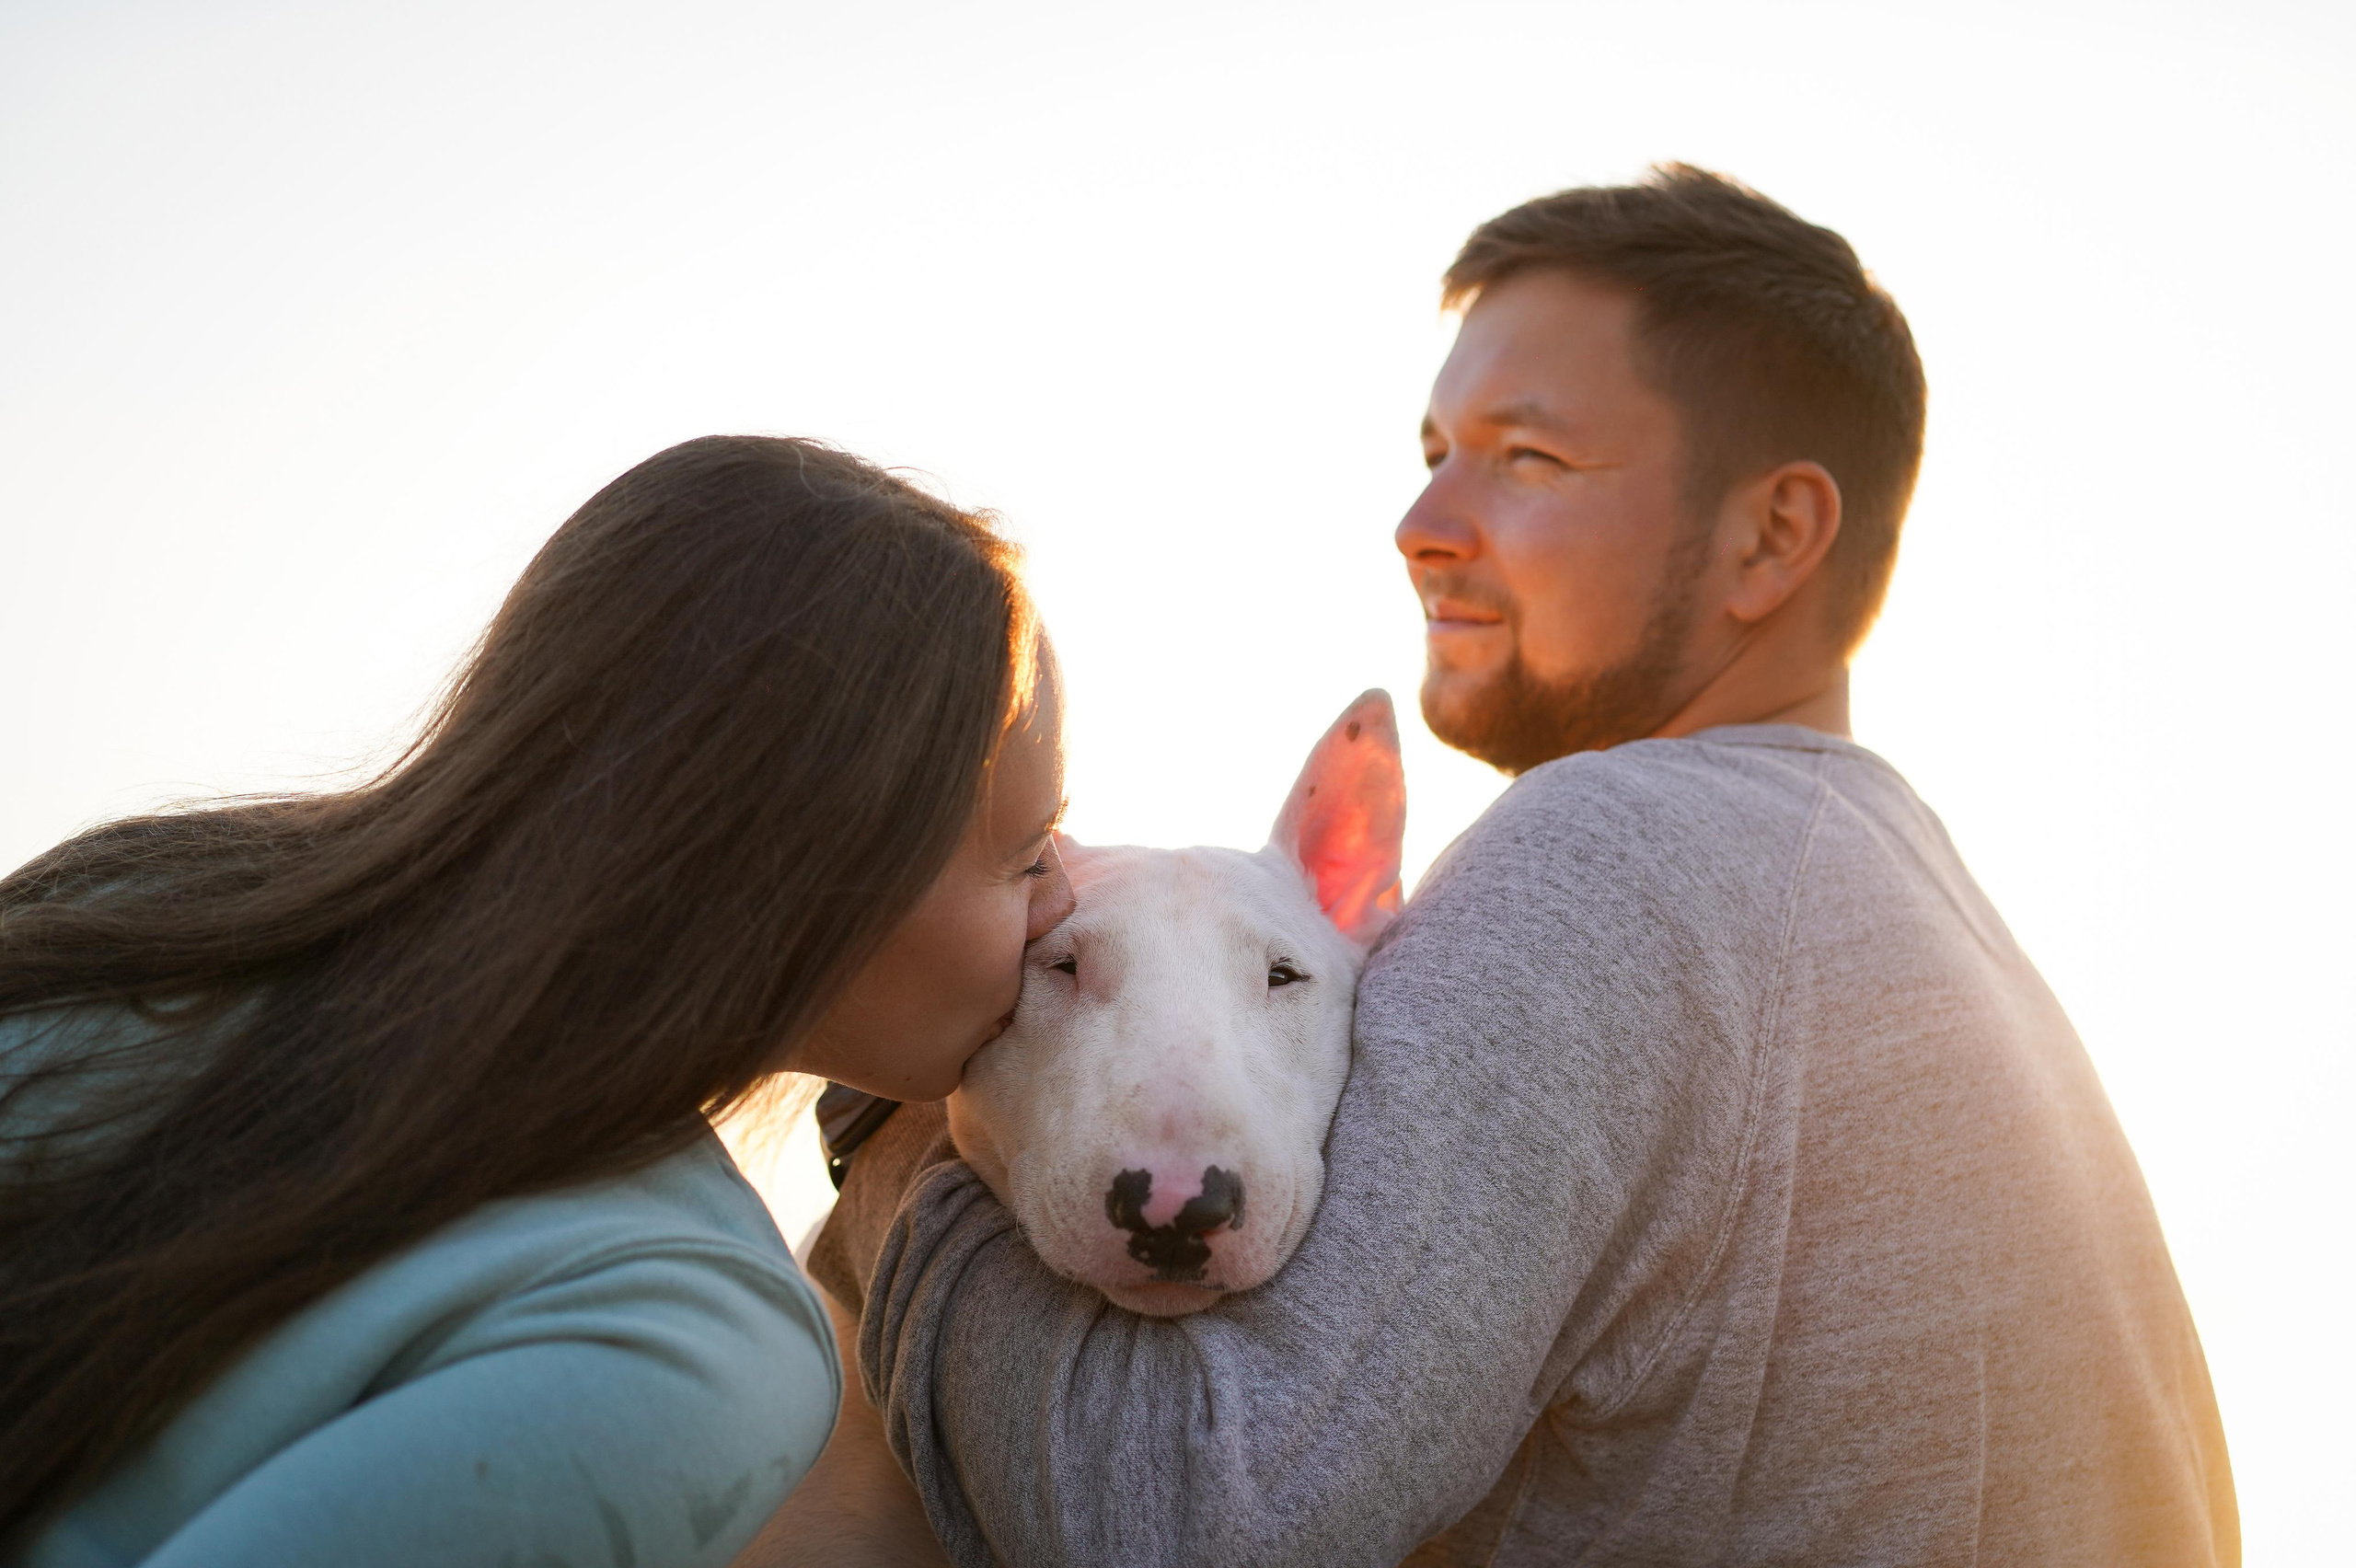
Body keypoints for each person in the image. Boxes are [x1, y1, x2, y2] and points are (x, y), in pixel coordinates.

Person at [767, 167, 2237, 1566]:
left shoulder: (1620, 857)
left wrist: (895, 1130)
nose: (1420, 530)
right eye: (1433, 457)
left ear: (1774, 535)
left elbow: (1183, 1521)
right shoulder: (1918, 912)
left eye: (1527, 459)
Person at [0, 435, 1076, 1567]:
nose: (1066, 904)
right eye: (1027, 850)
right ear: (834, 868)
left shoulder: (142, 903)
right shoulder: (698, 1341)